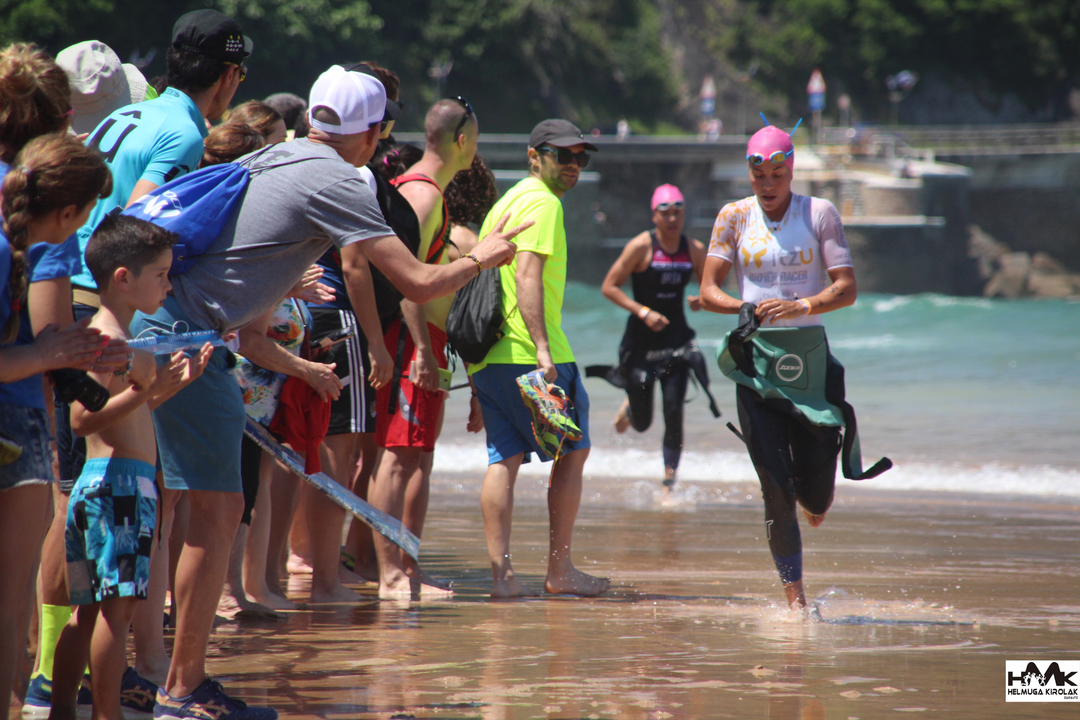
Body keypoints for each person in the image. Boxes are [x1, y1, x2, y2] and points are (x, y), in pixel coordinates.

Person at [129, 64, 522, 720]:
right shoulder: (340, 178)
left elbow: (249, 283)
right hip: (188, 341)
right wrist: (485, 257)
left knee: (167, 508)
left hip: (155, 323)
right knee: (217, 512)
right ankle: (182, 686)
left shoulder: (279, 155)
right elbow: (418, 282)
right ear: (373, 134)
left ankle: (136, 672)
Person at [698, 123, 884, 611]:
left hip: (809, 364)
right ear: (749, 173)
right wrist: (742, 308)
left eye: (777, 174)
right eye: (759, 175)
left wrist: (802, 305)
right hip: (756, 364)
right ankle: (796, 602)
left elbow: (846, 288)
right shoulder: (734, 216)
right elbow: (708, 291)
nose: (768, 184)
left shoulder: (819, 213)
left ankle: (813, 496)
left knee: (815, 499)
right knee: (776, 489)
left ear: (791, 169)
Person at [49, 214, 211, 720]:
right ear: (124, 277)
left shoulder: (119, 337)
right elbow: (82, 419)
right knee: (115, 617)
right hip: (119, 488)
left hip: (105, 485)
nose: (168, 285)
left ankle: (62, 709)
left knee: (87, 613)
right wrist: (150, 390)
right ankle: (106, 713)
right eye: (161, 275)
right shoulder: (109, 340)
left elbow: (122, 416)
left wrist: (167, 389)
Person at [469, 119, 609, 598]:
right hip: (531, 355)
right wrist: (544, 350)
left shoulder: (503, 204)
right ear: (535, 156)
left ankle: (502, 578)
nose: (573, 165)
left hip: (490, 357)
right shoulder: (545, 203)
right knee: (572, 451)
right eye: (562, 155)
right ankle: (560, 571)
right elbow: (527, 275)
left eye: (580, 158)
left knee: (502, 458)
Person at [0, 135, 112, 719]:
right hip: (13, 428)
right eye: (88, 214)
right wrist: (46, 355)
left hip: (20, 423)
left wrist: (72, 354)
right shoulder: (8, 252)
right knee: (8, 606)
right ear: (69, 212)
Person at [369, 96, 478, 598]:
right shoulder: (423, 195)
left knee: (413, 457)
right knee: (397, 457)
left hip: (422, 340)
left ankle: (405, 568)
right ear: (463, 140)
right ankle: (390, 573)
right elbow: (404, 279)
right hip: (412, 340)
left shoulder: (426, 191)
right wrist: (422, 351)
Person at [302, 61, 401, 602]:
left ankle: (302, 565)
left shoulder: (292, 158)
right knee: (339, 455)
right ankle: (325, 579)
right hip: (337, 318)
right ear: (371, 131)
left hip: (292, 313)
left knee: (304, 448)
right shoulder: (354, 177)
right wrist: (377, 344)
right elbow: (356, 265)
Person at [594, 184, 712, 491]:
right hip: (640, 343)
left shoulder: (694, 249)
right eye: (665, 213)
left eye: (677, 213)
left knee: (674, 410)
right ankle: (631, 407)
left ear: (684, 214)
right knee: (643, 423)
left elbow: (708, 289)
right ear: (654, 216)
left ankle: (669, 481)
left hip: (677, 341)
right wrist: (643, 311)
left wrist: (701, 300)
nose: (672, 219)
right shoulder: (641, 246)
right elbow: (609, 286)